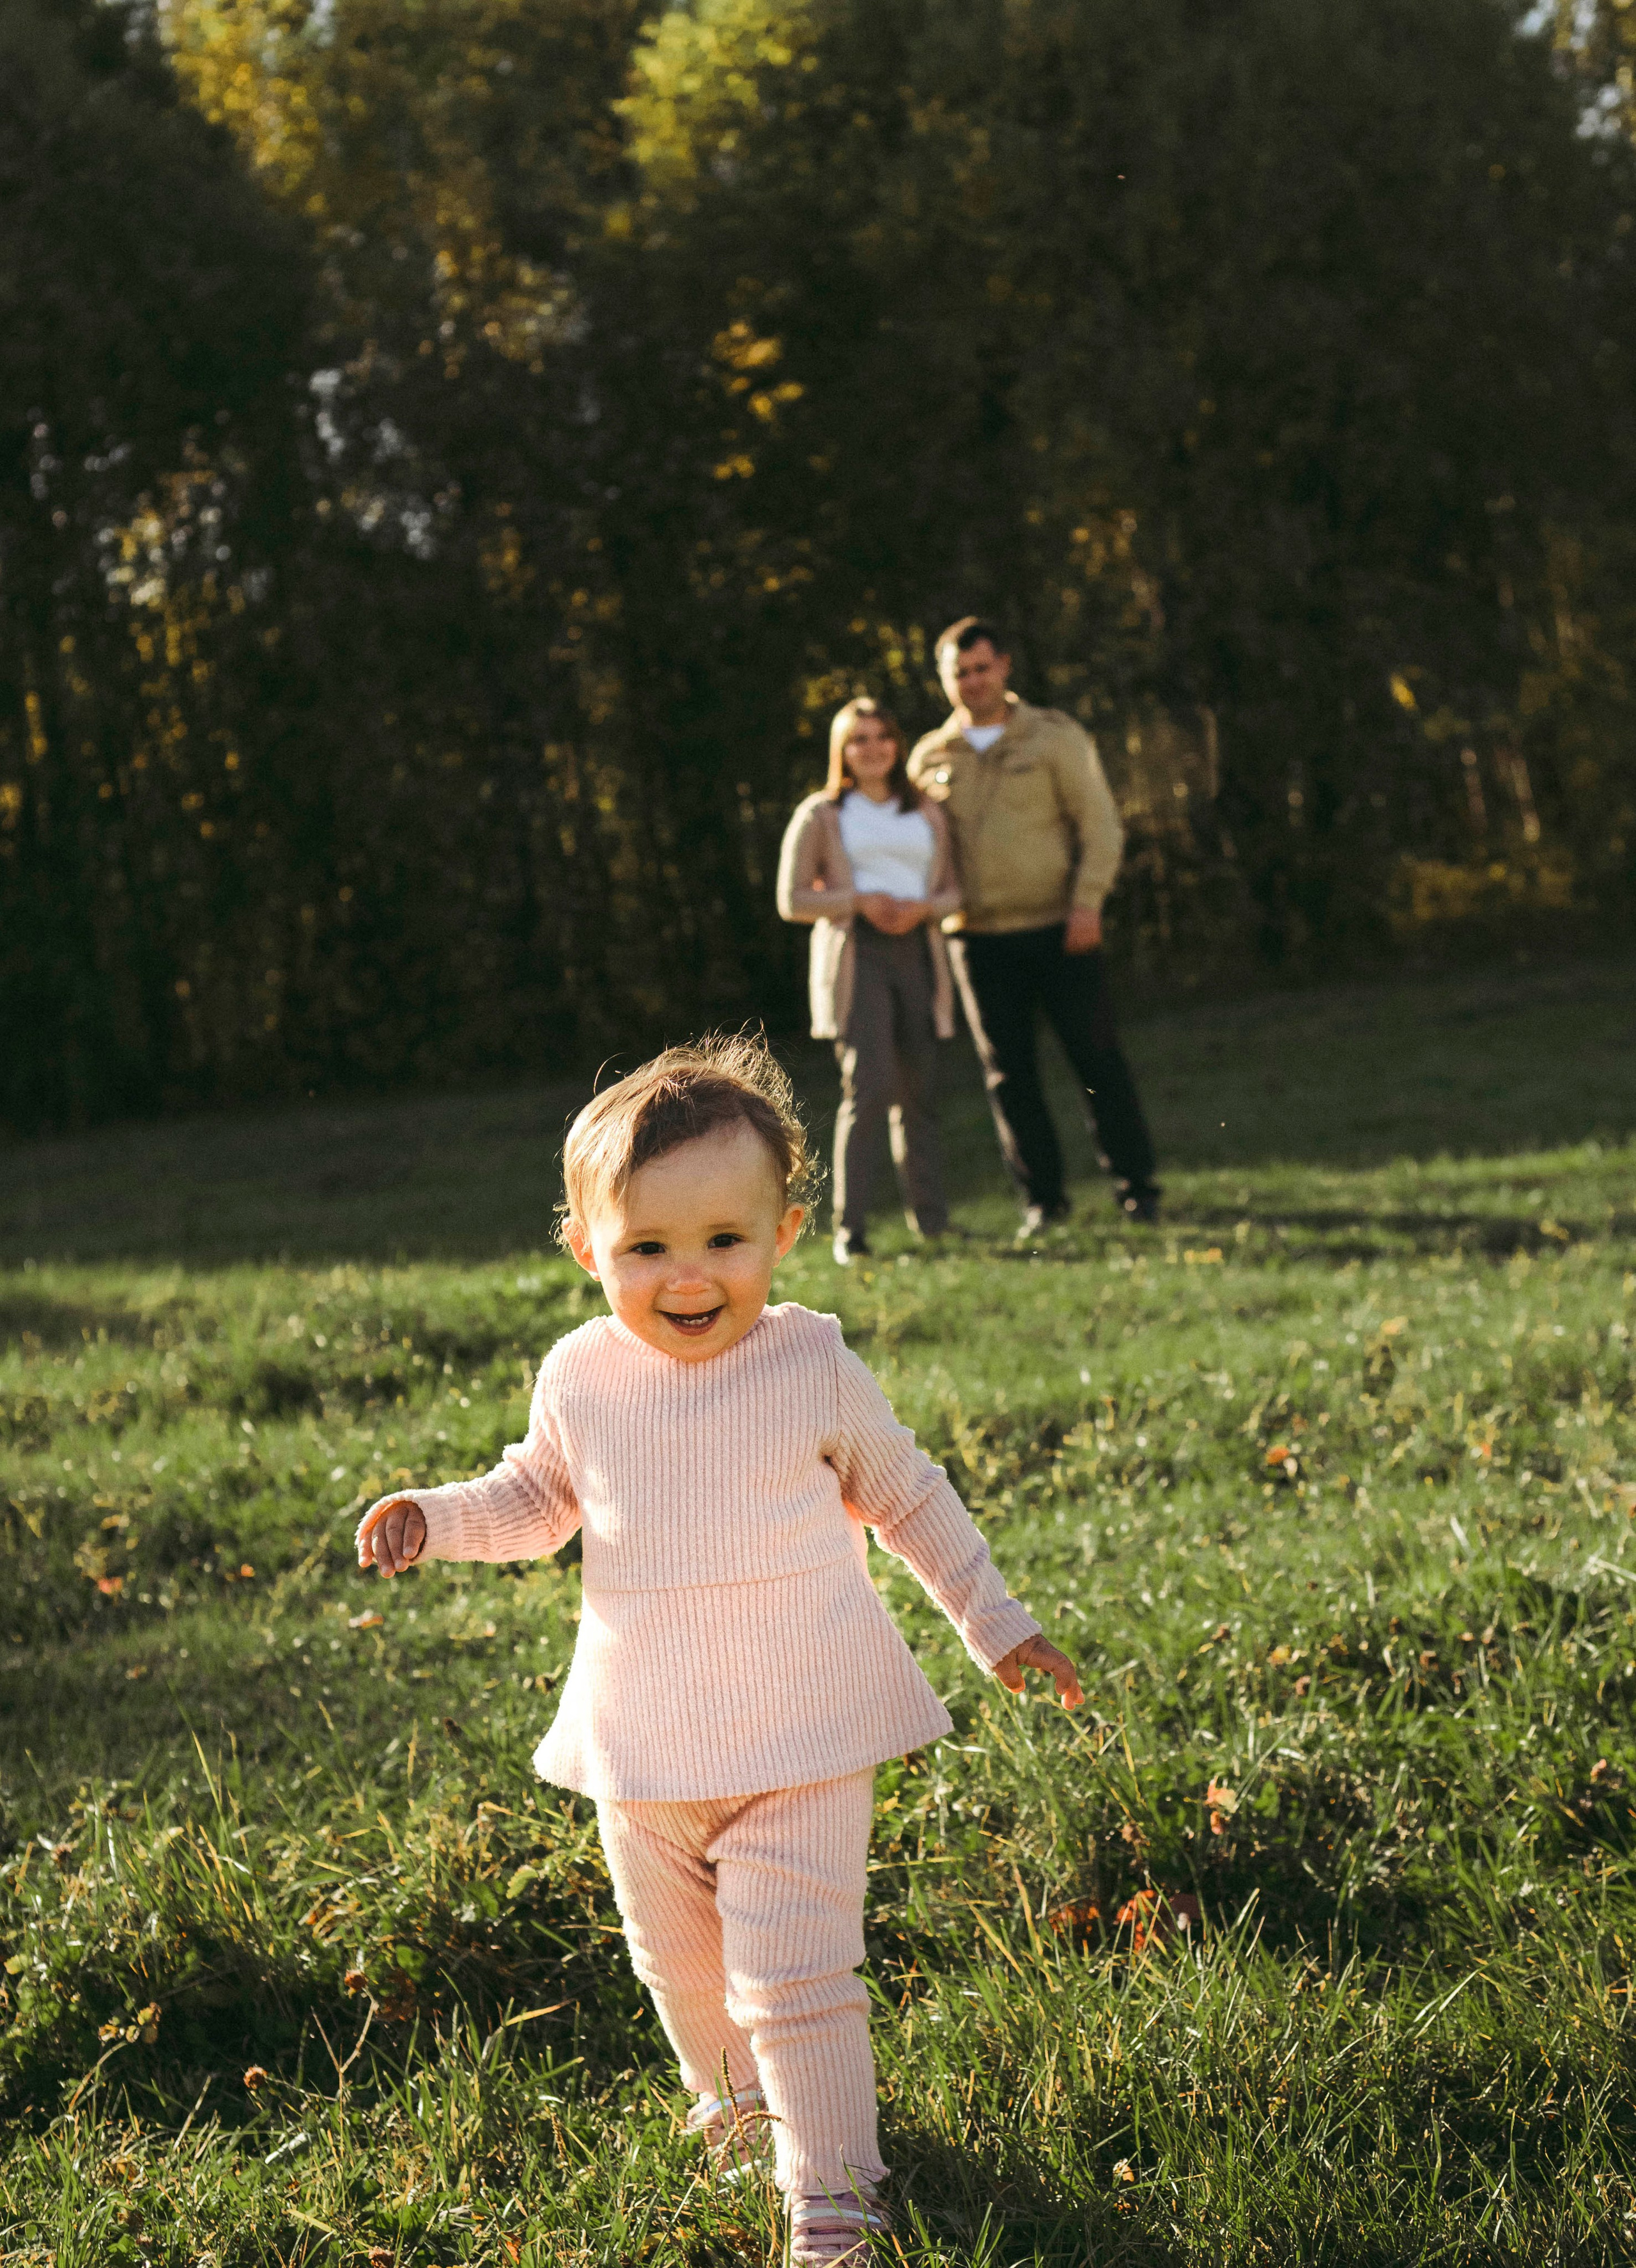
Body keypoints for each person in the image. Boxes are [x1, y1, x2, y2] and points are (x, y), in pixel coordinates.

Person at [353, 1036, 1081, 2265]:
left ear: (785, 1231)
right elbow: (533, 1497)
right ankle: (736, 2111)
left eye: (724, 1239)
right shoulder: (582, 1374)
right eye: (647, 1246)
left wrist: (995, 1623)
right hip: (643, 1751)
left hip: (801, 1736)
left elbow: (909, 1496)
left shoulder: (809, 1362)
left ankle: (836, 2189)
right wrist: (436, 1516)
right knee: (681, 1968)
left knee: (797, 1972)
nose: (689, 1275)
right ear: (587, 1249)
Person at [907, 617, 1161, 1234]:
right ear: (944, 679)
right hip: (977, 940)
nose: (973, 682)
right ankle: (1043, 1203)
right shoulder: (930, 758)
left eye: (982, 668)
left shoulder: (1053, 737)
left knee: (1097, 1063)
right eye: (959, 673)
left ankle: (1138, 1191)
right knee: (1009, 1078)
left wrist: (1087, 905)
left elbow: (1100, 826)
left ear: (1004, 666)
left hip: (1062, 929)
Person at [776, 697, 962, 1265]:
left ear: (897, 744)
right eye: (859, 739)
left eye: (882, 736)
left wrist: (923, 909)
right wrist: (858, 901)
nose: (873, 748)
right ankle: (850, 1233)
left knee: (920, 1093)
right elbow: (792, 899)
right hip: (859, 958)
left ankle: (933, 1224)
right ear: (843, 750)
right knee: (871, 1088)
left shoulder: (926, 810)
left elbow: (956, 892)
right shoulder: (823, 813)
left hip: (920, 954)